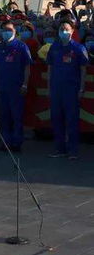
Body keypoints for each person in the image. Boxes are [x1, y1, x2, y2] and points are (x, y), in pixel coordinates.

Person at [46, 20, 88, 159]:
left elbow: (83, 70)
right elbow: (50, 68)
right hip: (56, 89)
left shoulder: (78, 48)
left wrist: (81, 88)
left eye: (66, 29)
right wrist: (49, 87)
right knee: (56, 119)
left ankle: (72, 151)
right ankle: (60, 149)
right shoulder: (54, 47)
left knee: (71, 120)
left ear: (72, 30)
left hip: (71, 89)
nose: (64, 31)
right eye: (61, 29)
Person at [0, 20, 32, 152]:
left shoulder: (21, 46)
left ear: (15, 31)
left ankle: (17, 142)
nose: (6, 32)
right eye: (4, 30)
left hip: (16, 87)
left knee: (16, 116)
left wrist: (25, 84)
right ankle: (5, 142)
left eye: (9, 30)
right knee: (4, 116)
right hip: (2, 87)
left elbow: (27, 67)